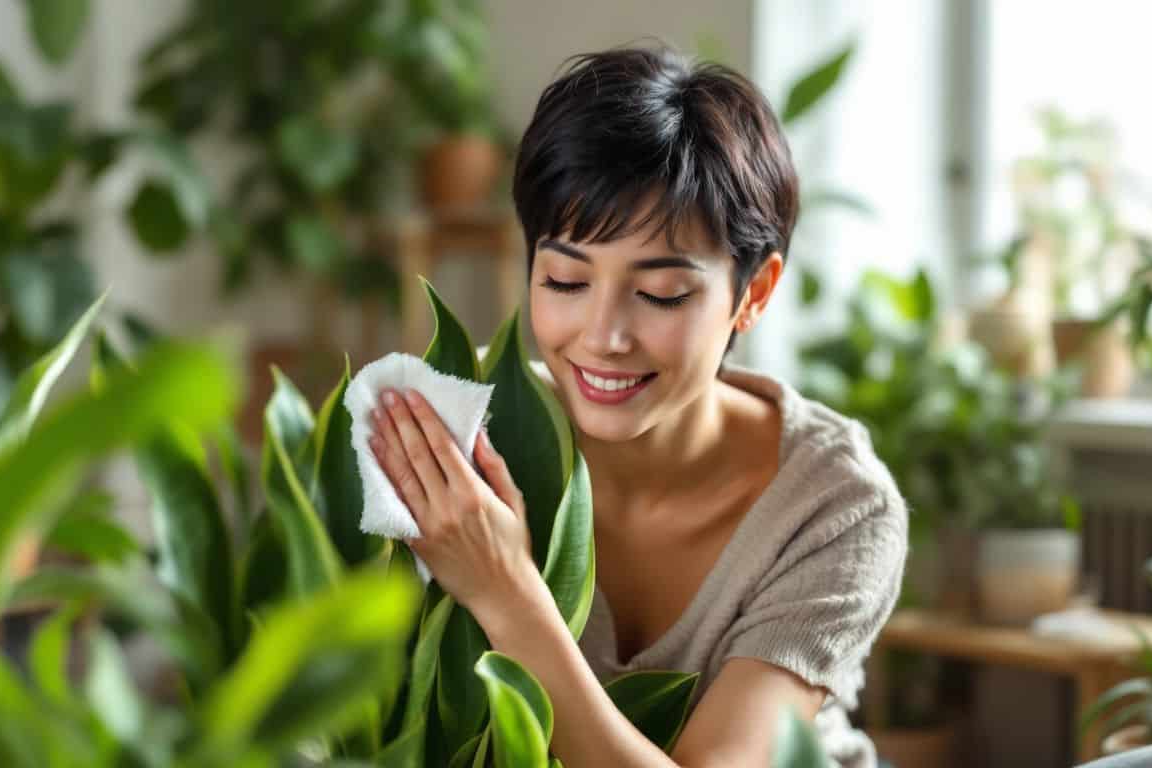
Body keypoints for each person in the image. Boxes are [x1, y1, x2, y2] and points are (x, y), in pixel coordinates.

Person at [365, 45, 907, 767]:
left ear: (755, 293)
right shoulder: (465, 440)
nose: (604, 337)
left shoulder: (835, 506)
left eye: (660, 294)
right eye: (564, 281)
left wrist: (504, 589)